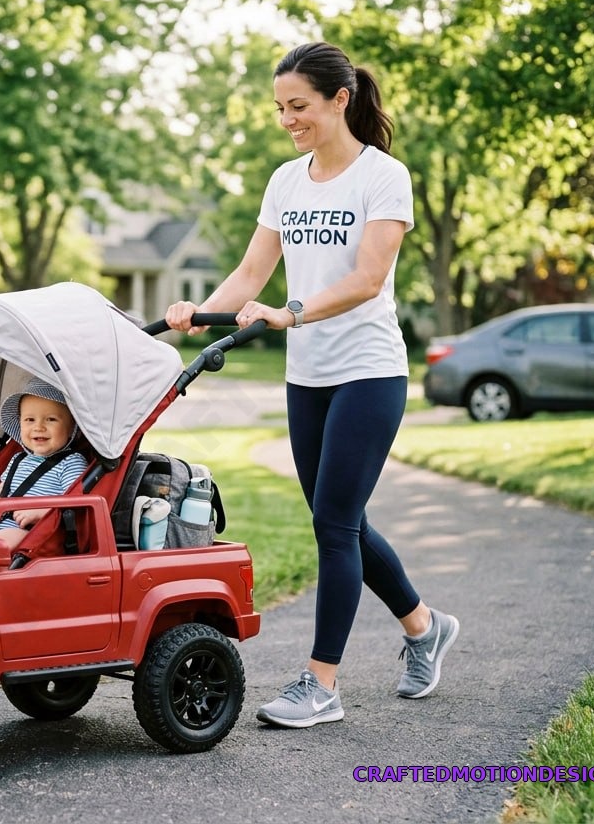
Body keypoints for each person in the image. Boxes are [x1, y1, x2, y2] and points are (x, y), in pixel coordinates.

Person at [164, 41, 459, 728]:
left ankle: (320, 684)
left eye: (298, 107)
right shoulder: (285, 181)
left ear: (339, 100)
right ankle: (424, 627)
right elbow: (251, 272)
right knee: (341, 522)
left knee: (334, 522)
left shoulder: (384, 177)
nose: (287, 119)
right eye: (279, 108)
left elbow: (366, 280)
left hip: (370, 370)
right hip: (310, 375)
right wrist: (196, 312)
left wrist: (289, 312)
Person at [0, 377, 89, 550]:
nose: (38, 427)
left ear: (71, 428)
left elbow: (75, 503)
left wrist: (42, 512)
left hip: (28, 531)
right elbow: (0, 491)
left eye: (51, 419)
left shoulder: (71, 463)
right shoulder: (18, 459)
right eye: (30, 420)